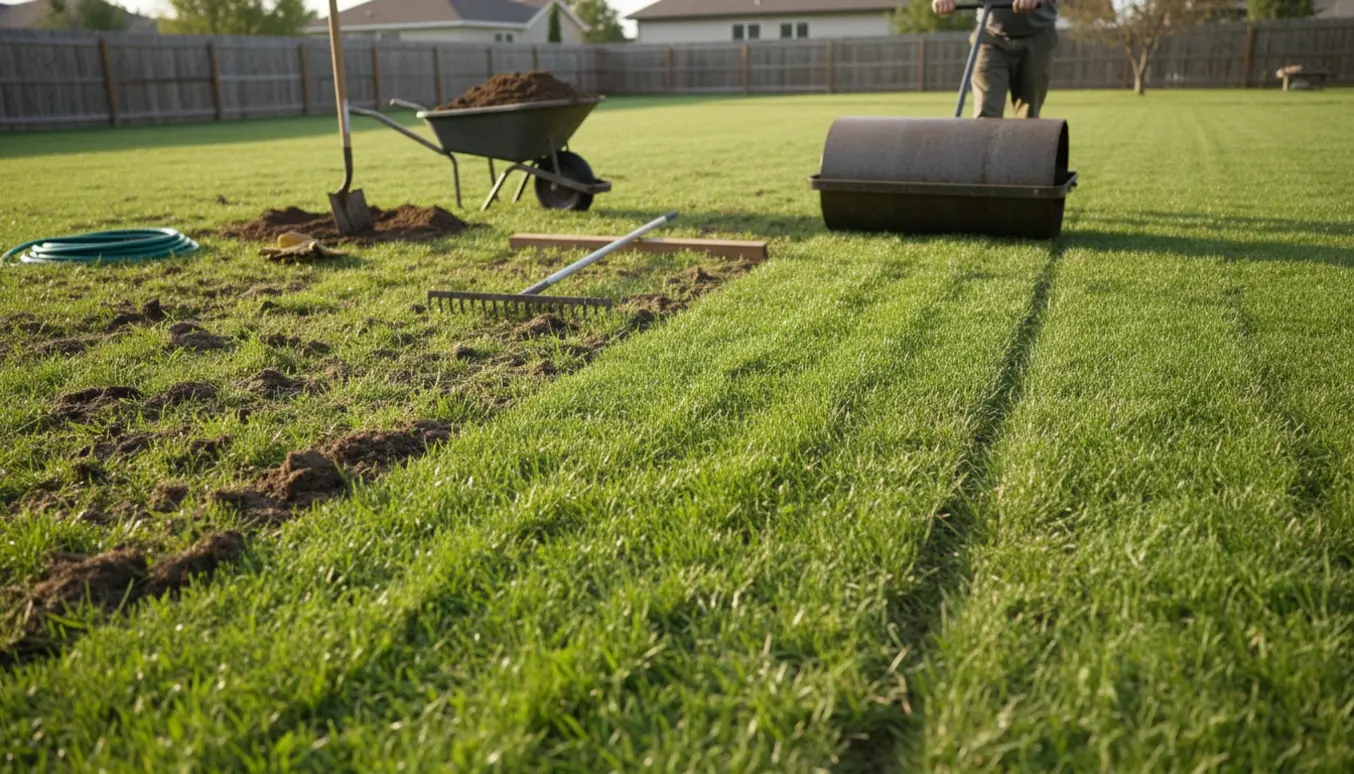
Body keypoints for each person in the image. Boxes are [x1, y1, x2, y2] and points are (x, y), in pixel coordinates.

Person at [932, 0, 1058, 118]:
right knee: (986, 114)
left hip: (1037, 36)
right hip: (990, 37)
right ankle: (985, 141)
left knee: (1028, 115)